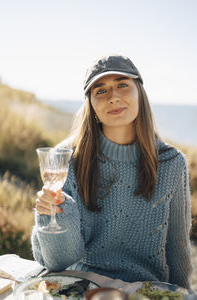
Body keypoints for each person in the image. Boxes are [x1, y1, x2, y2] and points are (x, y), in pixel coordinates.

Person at [31, 54, 193, 289]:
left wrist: (183, 293)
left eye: (122, 85)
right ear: (92, 105)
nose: (113, 97)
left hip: (144, 290)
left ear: (140, 93)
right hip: (80, 287)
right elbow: (57, 263)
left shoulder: (171, 163)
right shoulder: (66, 158)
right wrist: (57, 213)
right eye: (100, 91)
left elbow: (178, 249)